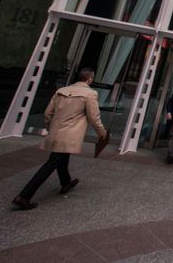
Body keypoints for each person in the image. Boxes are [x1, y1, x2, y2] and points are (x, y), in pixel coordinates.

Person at [12, 68, 106, 210]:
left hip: (56, 132)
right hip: (69, 134)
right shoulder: (90, 94)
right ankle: (24, 196)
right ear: (90, 79)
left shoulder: (61, 91)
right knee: (52, 163)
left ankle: (65, 182)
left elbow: (48, 113)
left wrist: (51, 128)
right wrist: (102, 133)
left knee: (61, 158)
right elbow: (94, 117)